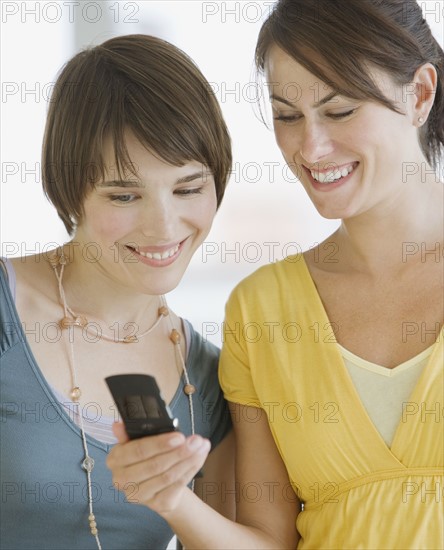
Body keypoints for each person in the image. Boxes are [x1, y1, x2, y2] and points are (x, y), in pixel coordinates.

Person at [107, 1, 444, 548]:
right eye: (287, 115)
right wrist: (170, 498)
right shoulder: (262, 310)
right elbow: (270, 541)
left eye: (339, 111)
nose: (310, 148)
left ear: (420, 94)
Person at [0, 34, 234, 550]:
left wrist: (173, 499)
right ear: (67, 188)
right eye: (124, 194)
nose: (163, 226)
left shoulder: (208, 380)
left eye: (189, 188)